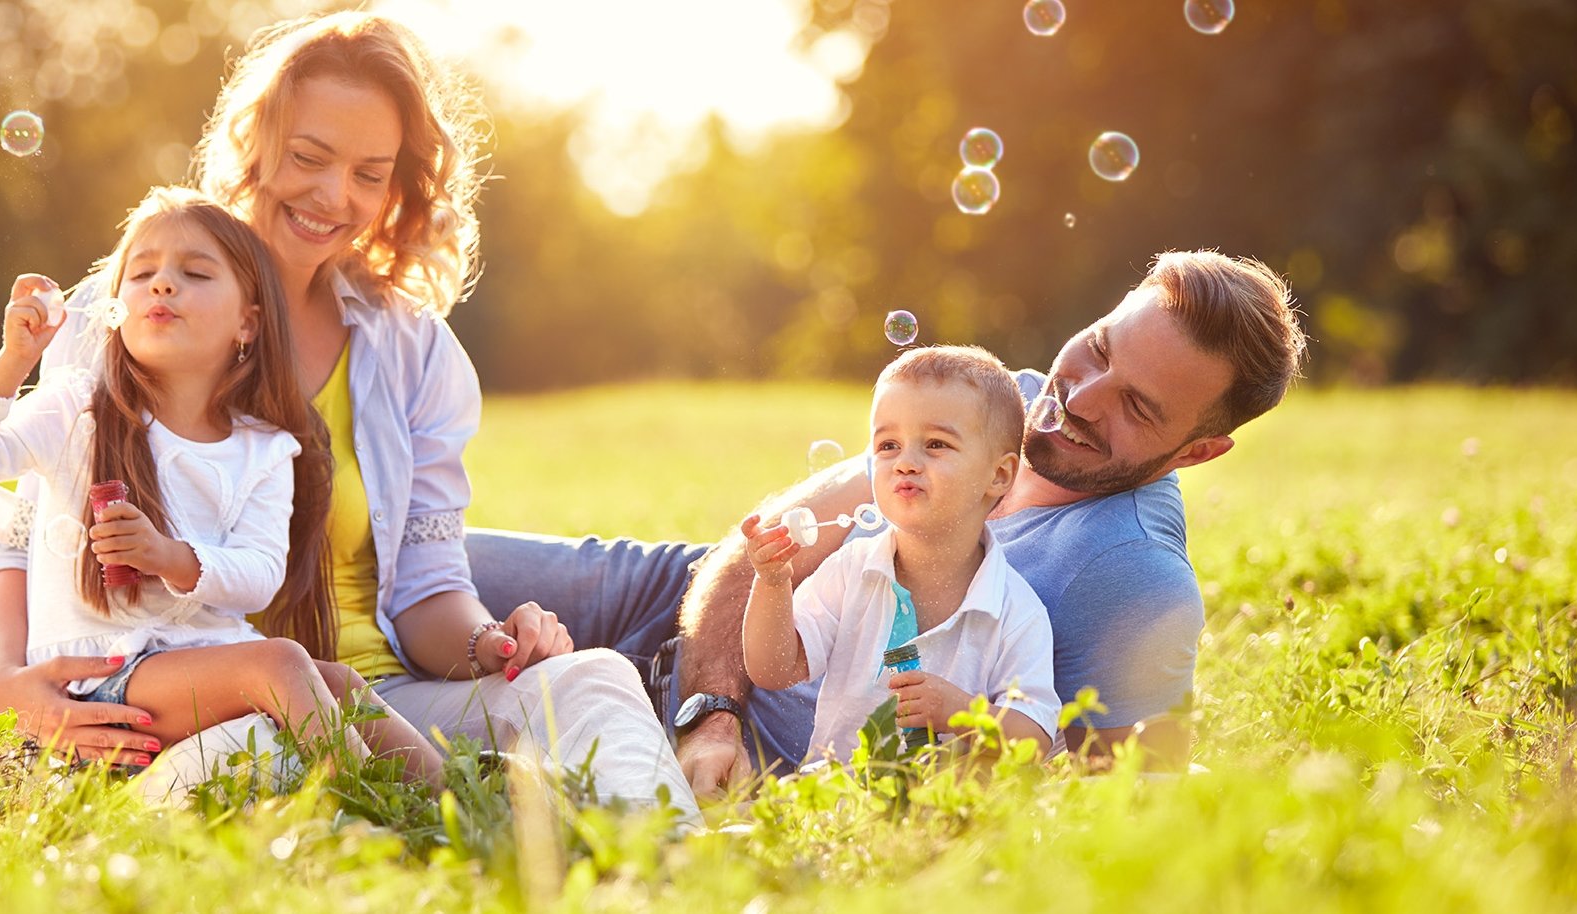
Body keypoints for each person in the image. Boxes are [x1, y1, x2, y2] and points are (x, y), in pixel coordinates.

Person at [0, 13, 696, 814]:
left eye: (369, 174)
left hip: (377, 707)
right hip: (186, 703)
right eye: (309, 157)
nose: (334, 196)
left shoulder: (408, 349)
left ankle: (664, 866)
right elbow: (16, 546)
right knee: (252, 768)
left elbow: (426, 591)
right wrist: (12, 686)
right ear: (254, 145)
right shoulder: (126, 315)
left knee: (592, 678)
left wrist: (487, 642)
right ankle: (426, 820)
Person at [468, 250, 1306, 794]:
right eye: (1096, 349)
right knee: (389, 565)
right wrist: (709, 713)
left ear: (1197, 452)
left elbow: (1129, 801)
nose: (1075, 400)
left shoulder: (1135, 575)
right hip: (682, 607)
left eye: (1137, 406)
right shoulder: (1001, 399)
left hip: (757, 740)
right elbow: (759, 538)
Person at [0, 186, 442, 782]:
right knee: (279, 663)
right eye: (142, 273)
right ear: (117, 309)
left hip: (195, 663)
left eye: (194, 273)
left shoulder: (265, 447)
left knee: (338, 681)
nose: (162, 284)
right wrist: (12, 363)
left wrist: (170, 557)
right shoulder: (73, 410)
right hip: (102, 676)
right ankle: (369, 798)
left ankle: (451, 790)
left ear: (247, 322)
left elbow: (260, 574)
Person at [740, 346, 1058, 761]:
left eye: (936, 444)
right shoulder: (851, 572)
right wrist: (772, 583)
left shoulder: (1013, 610)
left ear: (998, 476)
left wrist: (961, 713)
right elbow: (772, 668)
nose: (905, 462)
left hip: (948, 813)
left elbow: (1034, 739)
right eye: (888, 444)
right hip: (837, 802)